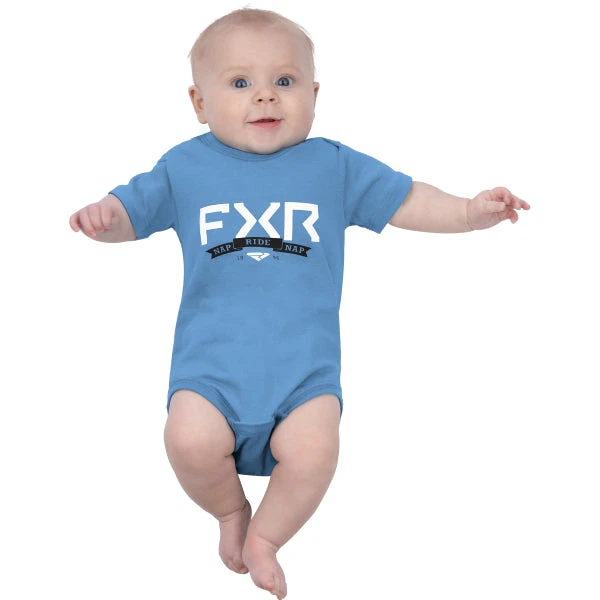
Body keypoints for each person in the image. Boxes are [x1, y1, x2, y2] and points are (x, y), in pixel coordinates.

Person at [68, 8, 530, 599]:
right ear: (199, 103)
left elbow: (408, 199)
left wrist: (467, 211)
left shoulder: (332, 166)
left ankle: (266, 538)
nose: (265, 95)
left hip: (304, 377)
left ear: (313, 94)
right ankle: (231, 511)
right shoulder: (184, 168)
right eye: (240, 82)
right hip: (209, 373)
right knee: (187, 441)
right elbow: (130, 213)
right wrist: (104, 219)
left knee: (315, 452)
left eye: (284, 81)